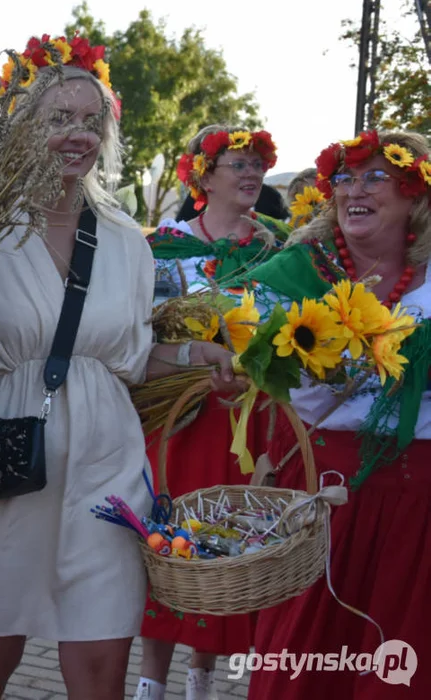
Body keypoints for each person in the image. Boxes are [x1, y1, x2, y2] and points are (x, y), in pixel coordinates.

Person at [0, 35, 238, 700]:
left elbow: (128, 361)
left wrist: (194, 357)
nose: (76, 134)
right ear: (23, 129)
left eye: (91, 121)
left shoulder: (123, 242)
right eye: (58, 119)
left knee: (100, 667)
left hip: (105, 469)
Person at [242, 129, 431, 699]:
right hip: (326, 492)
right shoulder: (295, 276)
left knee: (402, 663)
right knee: (306, 660)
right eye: (344, 177)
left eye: (378, 176)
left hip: (419, 501)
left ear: (415, 195)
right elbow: (245, 360)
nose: (355, 188)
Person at [137, 125, 290, 700]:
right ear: (203, 176)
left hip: (245, 423)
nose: (252, 174)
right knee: (167, 537)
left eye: (258, 164)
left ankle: (201, 678)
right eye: (238, 164)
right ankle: (151, 680)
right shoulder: (164, 247)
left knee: (224, 543)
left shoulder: (281, 251)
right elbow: (138, 330)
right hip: (175, 417)